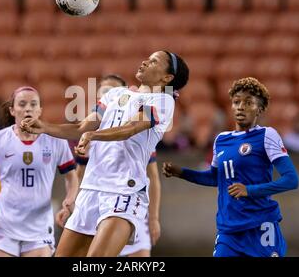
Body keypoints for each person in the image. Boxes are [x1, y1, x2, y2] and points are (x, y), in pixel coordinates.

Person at [21, 51, 189, 257]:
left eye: (154, 61)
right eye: (148, 57)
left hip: (124, 192)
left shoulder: (163, 101)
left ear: (167, 78)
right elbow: (81, 127)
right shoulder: (115, 95)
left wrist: (94, 135)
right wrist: (44, 127)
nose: (145, 61)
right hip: (91, 189)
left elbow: (130, 128)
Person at [162, 77, 299, 257]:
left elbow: (291, 180)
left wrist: (249, 190)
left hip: (260, 226)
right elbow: (215, 178)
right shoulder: (221, 140)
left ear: (260, 108)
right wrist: (182, 173)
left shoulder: (267, 135)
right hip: (229, 230)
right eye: (236, 102)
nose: (241, 107)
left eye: (248, 103)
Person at [0, 86, 79, 257]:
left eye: (33, 104)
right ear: (12, 110)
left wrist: (69, 199)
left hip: (39, 228)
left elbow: (71, 176)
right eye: (22, 104)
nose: (28, 108)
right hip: (4, 226)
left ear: (40, 110)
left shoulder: (55, 141)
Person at [73, 75, 161, 257]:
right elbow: (80, 174)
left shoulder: (139, 138)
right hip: (96, 205)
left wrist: (153, 217)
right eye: (105, 92)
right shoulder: (90, 132)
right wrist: (73, 203)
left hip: (125, 203)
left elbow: (152, 176)